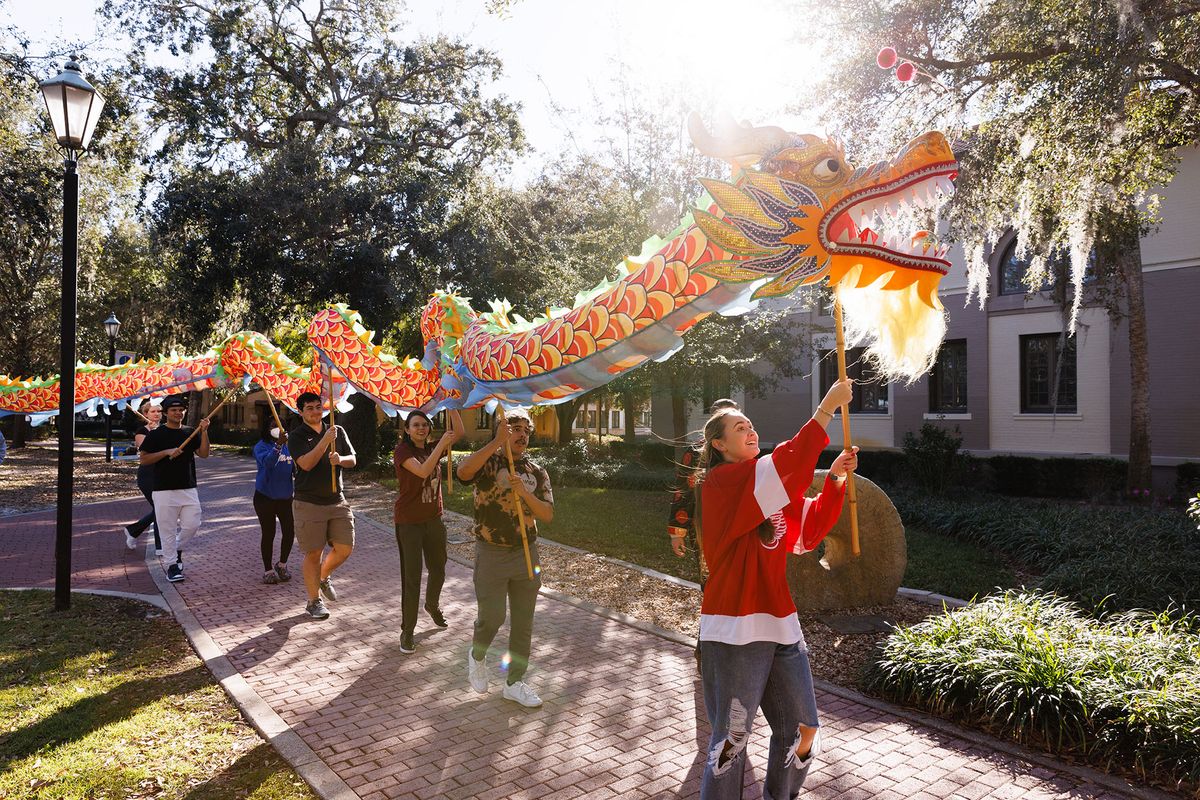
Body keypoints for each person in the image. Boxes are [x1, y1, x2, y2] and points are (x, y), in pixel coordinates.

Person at [695, 380, 859, 800]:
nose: (750, 431)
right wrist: (825, 408)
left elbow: (807, 532)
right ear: (718, 445)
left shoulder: (765, 488)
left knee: (804, 729)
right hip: (733, 628)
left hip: (780, 624)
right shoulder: (721, 484)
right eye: (738, 428)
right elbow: (788, 462)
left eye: (750, 424)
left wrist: (836, 481)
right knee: (732, 740)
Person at [456, 407, 553, 708]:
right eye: (514, 428)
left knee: (523, 623)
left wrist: (524, 493)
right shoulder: (489, 462)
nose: (521, 434)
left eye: (525, 429)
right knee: (493, 616)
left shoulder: (537, 472)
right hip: (491, 552)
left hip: (526, 552)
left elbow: (547, 514)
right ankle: (478, 654)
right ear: (502, 431)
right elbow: (462, 472)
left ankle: (514, 682)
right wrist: (495, 444)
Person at [393, 408, 463, 654]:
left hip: (434, 519)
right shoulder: (403, 451)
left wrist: (451, 403)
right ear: (407, 429)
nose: (421, 428)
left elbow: (460, 431)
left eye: (425, 424)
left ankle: (432, 605)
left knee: (439, 569)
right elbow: (422, 472)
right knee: (411, 578)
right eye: (416, 425)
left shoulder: (430, 447)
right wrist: (440, 445)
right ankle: (408, 630)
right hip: (409, 522)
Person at [289, 390, 357, 620]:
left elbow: (353, 459)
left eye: (318, 407)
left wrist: (340, 460)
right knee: (313, 553)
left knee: (345, 547)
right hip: (308, 502)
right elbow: (306, 464)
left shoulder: (337, 429)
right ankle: (313, 601)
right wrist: (324, 442)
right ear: (300, 412)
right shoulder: (297, 435)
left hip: (337, 500)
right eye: (310, 408)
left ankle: (323, 576)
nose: (316, 412)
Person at [138, 394, 211, 582]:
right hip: (163, 489)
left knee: (193, 524)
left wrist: (204, 432)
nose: (178, 413)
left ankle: (176, 548)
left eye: (181, 410)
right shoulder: (156, 435)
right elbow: (144, 459)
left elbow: (204, 454)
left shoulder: (190, 432)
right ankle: (172, 566)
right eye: (174, 410)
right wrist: (166, 452)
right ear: (166, 413)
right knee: (167, 529)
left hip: (188, 487)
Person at [254, 421, 295, 585]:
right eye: (272, 425)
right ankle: (268, 570)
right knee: (268, 533)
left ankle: (282, 564)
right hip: (265, 497)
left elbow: (296, 468)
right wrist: (277, 445)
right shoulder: (261, 446)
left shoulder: (290, 446)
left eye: (280, 425)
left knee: (290, 532)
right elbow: (269, 464)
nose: (277, 429)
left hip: (285, 497)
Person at [123, 401, 164, 555]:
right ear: (145, 414)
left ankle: (133, 531)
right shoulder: (142, 431)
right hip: (147, 475)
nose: (156, 414)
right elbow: (145, 450)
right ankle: (160, 547)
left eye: (159, 411)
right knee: (161, 508)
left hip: (163, 475)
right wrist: (154, 433)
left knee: (162, 508)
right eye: (153, 411)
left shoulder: (165, 429)